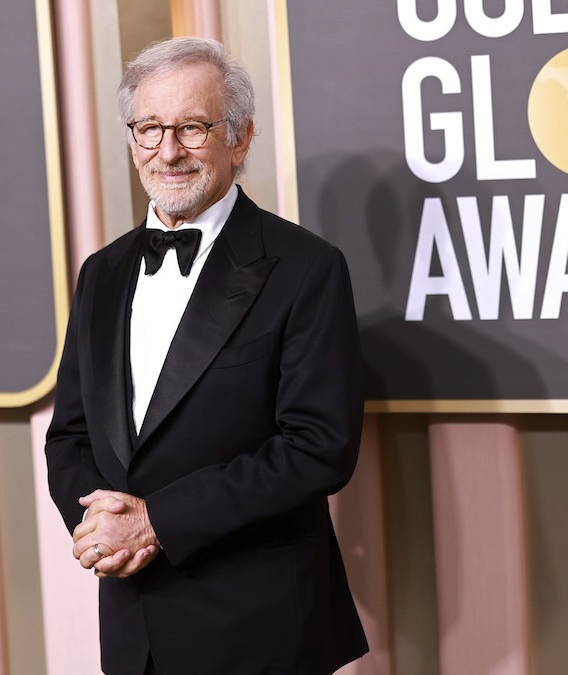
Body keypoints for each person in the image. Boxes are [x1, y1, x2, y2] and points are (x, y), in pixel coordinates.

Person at [44, 36, 368, 675]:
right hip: (134, 620)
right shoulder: (102, 273)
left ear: (240, 139)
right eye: (149, 129)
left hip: (260, 627)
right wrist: (104, 527)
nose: (168, 152)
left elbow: (318, 446)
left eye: (192, 128)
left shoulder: (307, 269)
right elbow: (71, 434)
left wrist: (158, 523)